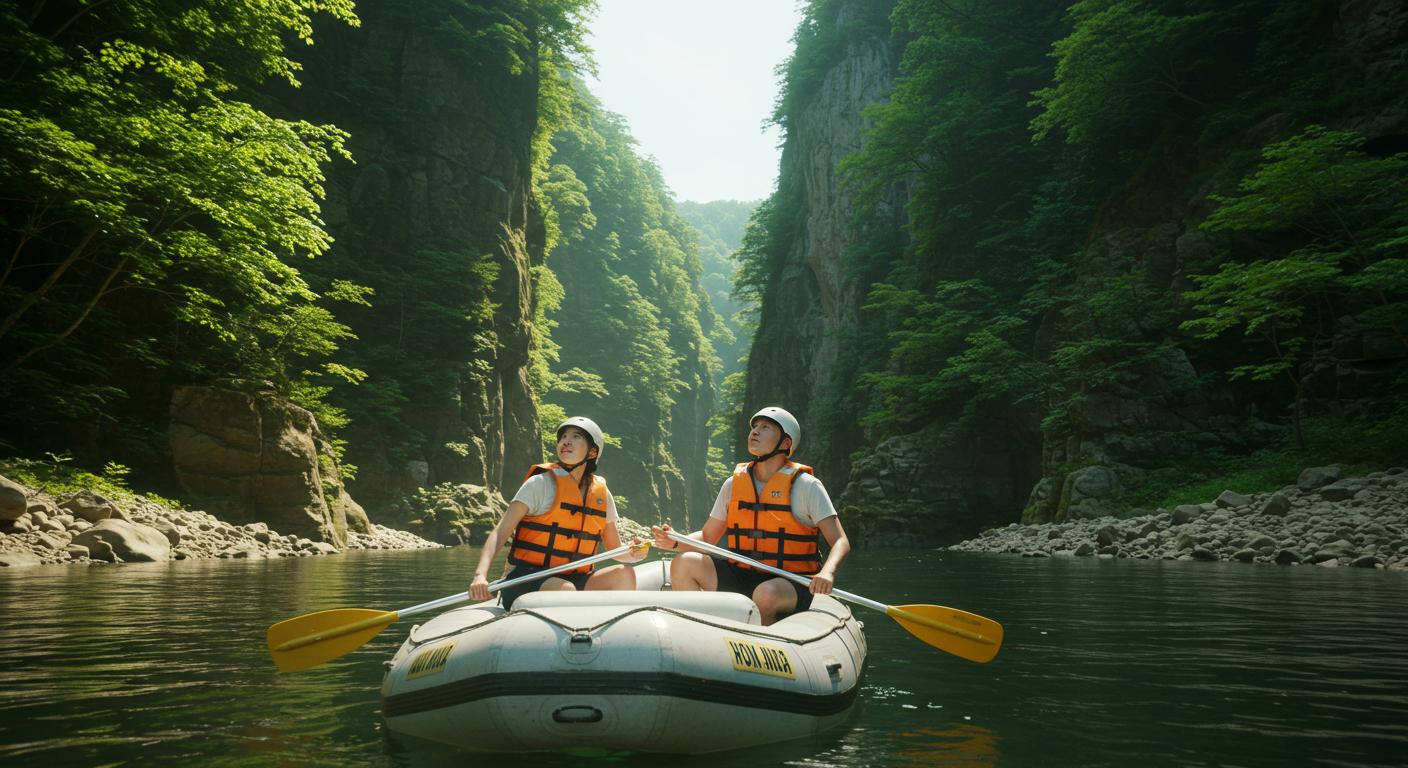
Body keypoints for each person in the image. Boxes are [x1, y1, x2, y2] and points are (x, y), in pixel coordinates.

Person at [651, 407, 850, 626]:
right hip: (741, 575)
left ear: (786, 443)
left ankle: (762, 640)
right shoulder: (733, 485)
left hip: (791, 582)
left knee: (766, 594)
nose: (754, 431)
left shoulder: (806, 486)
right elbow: (708, 538)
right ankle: (696, 633)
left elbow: (840, 541)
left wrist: (827, 573)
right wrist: (675, 541)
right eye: (754, 427)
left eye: (765, 427)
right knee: (683, 563)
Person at [471, 416, 645, 609]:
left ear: (592, 451)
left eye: (576, 437)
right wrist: (480, 575)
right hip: (526, 577)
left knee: (624, 574)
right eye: (563, 437)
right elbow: (500, 532)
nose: (566, 441)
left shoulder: (601, 495)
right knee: (565, 589)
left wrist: (636, 553)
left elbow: (615, 550)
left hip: (573, 578)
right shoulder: (540, 484)